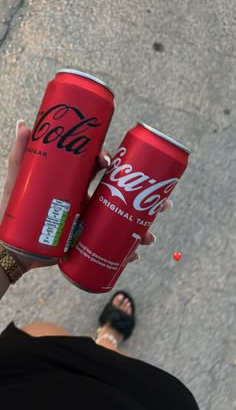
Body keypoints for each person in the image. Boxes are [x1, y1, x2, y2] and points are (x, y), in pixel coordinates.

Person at [0, 121, 199, 409]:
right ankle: (108, 339)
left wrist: (13, 256)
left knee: (49, 338)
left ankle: (105, 341)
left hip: (24, 373)